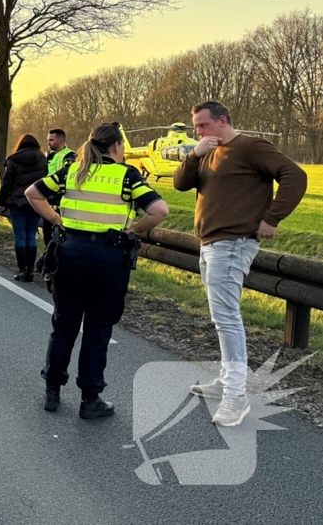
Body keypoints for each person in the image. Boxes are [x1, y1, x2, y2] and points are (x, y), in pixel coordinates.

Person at [174, 100, 307, 426]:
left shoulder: (250, 146)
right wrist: (194, 153)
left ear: (222, 120)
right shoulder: (206, 152)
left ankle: (236, 397)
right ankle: (226, 382)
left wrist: (272, 218)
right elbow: (180, 183)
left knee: (227, 319)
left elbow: (295, 175)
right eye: (195, 126)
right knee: (222, 318)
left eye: (203, 125)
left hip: (233, 243)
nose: (197, 131)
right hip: (209, 244)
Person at [25, 123, 169, 419]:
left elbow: (33, 193)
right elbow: (159, 210)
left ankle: (52, 391)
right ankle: (90, 400)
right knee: (97, 329)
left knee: (64, 326)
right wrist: (135, 230)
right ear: (116, 146)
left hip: (70, 253)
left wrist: (56, 219)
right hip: (108, 257)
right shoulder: (127, 176)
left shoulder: (73, 171)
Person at [0, 134, 48, 281]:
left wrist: (1, 202)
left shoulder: (13, 160)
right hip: (36, 201)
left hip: (17, 202)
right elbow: (46, 178)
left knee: (20, 236)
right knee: (31, 235)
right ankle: (30, 271)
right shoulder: (42, 159)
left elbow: (7, 183)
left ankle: (22, 270)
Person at [42, 128, 76, 241]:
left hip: (61, 200)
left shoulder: (70, 155)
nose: (48, 142)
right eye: (48, 140)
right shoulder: (50, 156)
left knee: (61, 235)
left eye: (51, 140)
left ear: (61, 141)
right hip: (49, 200)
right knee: (47, 234)